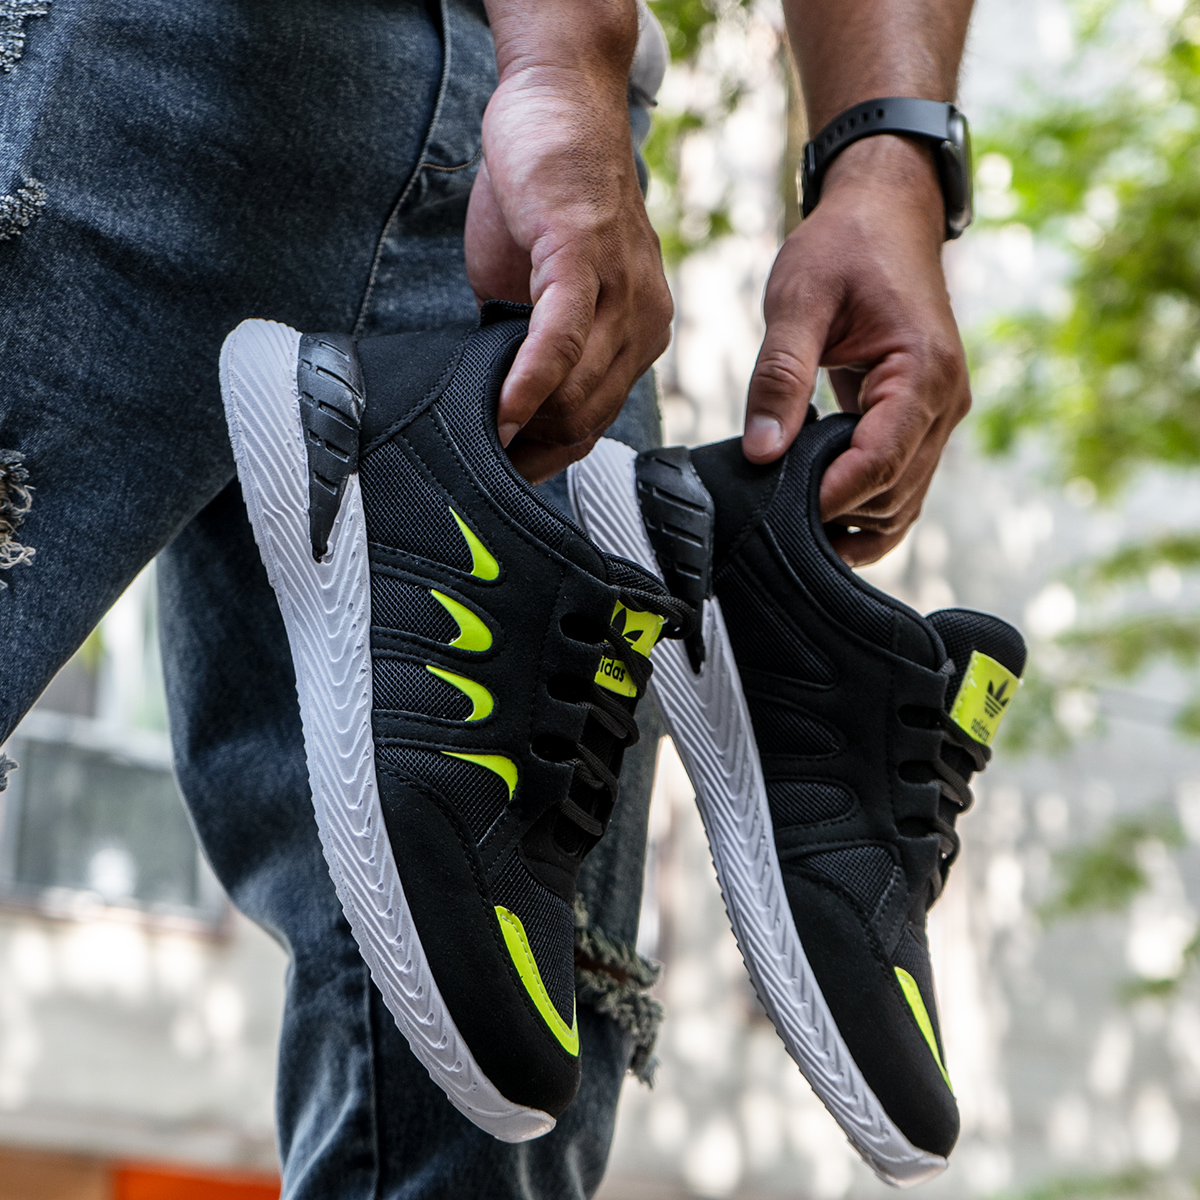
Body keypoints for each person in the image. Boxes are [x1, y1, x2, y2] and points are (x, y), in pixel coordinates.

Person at [0, 0, 976, 1194]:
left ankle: (763, 581)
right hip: (133, 56)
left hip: (541, 158)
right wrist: (564, 49)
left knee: (489, 1105)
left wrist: (888, 158)